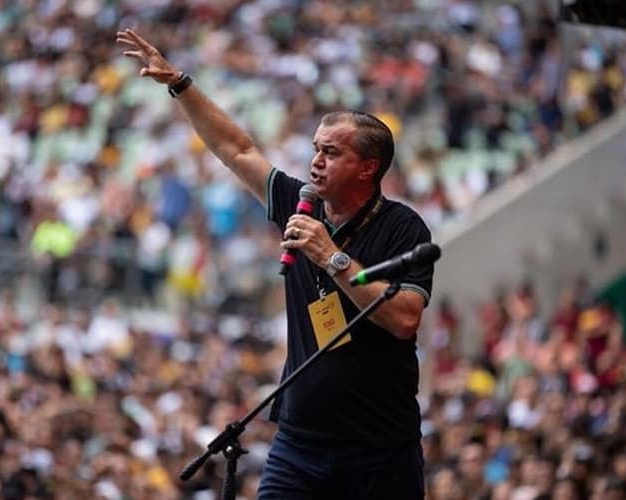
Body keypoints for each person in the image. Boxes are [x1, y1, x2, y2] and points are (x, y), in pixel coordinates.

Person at [117, 28, 435, 499]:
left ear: (368, 167)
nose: (316, 162)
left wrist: (332, 257)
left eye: (332, 152)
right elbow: (237, 149)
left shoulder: (403, 228)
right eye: (315, 149)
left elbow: (405, 319)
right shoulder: (299, 204)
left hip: (378, 447)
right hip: (299, 439)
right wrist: (180, 83)